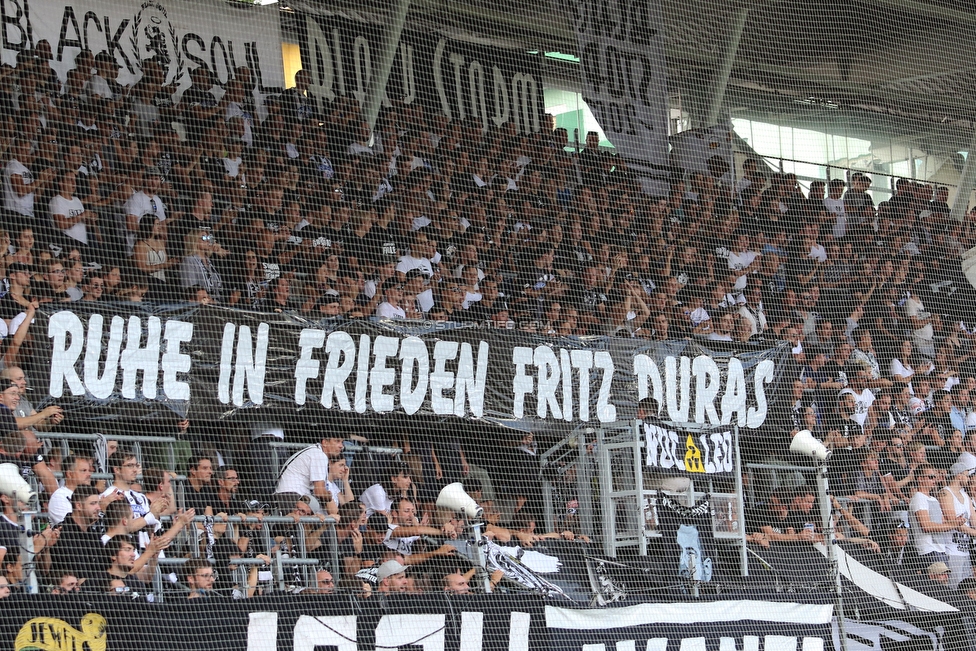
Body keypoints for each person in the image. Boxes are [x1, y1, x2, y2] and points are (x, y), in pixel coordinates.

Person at [274, 436, 345, 518]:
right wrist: (328, 496)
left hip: (289, 495)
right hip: (291, 496)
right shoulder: (319, 455)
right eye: (337, 441)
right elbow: (320, 492)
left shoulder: (316, 452)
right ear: (325, 442)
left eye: (342, 442)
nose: (341, 446)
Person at [937, 460, 976, 588]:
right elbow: (953, 521)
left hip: (965, 551)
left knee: (967, 587)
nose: (968, 478)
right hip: (951, 550)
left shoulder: (966, 496)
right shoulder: (946, 493)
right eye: (966, 475)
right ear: (959, 475)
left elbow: (974, 519)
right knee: (953, 587)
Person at [910, 463, 956, 568]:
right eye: (930, 477)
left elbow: (942, 522)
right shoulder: (919, 497)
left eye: (935, 477)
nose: (934, 480)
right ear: (920, 479)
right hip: (928, 550)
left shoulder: (933, 499)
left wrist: (956, 522)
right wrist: (952, 525)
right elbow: (926, 526)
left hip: (940, 549)